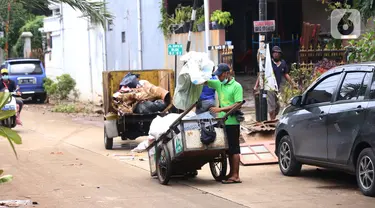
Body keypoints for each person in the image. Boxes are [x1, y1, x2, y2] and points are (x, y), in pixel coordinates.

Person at [205, 63, 243, 184]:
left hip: (232, 122)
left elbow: (238, 104)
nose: (219, 78)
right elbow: (204, 82)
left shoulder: (237, 86)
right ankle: (231, 174)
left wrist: (220, 110)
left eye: (220, 75)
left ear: (227, 74)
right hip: (222, 122)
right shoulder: (219, 84)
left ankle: (236, 175)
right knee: (227, 150)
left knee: (234, 149)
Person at [253, 46, 297, 120]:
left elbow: (286, 74)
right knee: (271, 107)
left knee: (278, 106)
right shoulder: (268, 63)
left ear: (280, 54)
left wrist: (293, 84)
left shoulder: (283, 63)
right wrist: (256, 86)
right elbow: (261, 75)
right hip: (269, 87)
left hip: (277, 87)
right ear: (272, 54)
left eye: (277, 53)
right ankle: (272, 121)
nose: (276, 54)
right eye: (274, 53)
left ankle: (273, 119)